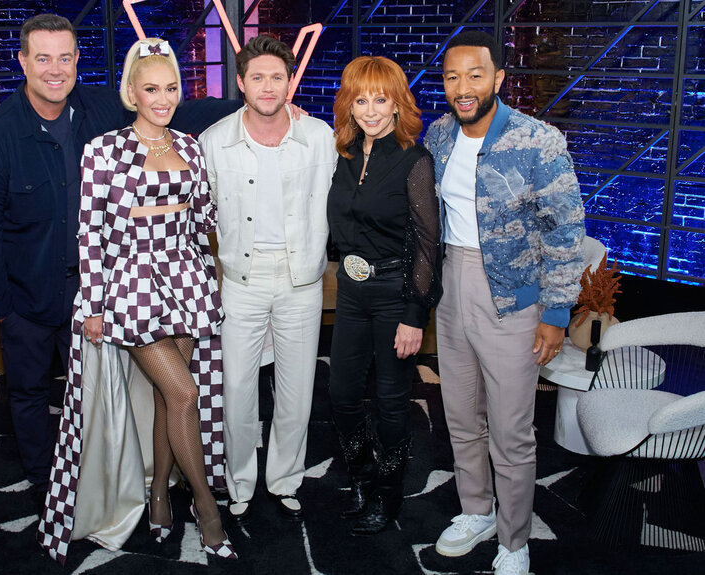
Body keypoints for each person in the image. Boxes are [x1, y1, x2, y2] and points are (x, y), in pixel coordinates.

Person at [0, 14, 238, 512]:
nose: (55, 69)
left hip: (109, 286)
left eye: (64, 57)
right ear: (23, 61)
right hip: (30, 293)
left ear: (76, 61)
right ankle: (44, 487)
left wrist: (256, 104)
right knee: (28, 393)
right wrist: (2, 306)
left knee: (95, 398)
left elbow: (171, 106)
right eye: (42, 58)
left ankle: (109, 486)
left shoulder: (94, 106)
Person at [36, 38, 237, 563]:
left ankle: (156, 500)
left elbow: (204, 221)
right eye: (152, 89)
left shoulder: (191, 146)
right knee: (187, 394)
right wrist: (96, 305)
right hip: (131, 285)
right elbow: (90, 232)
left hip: (186, 279)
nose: (163, 98)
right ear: (132, 92)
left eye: (171, 88)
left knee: (172, 401)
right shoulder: (103, 150)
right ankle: (206, 506)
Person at [424, 31, 584, 575]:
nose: (462, 87)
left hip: (514, 299)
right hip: (452, 286)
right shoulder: (439, 135)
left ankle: (514, 542)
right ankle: (477, 511)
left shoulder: (539, 141)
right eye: (452, 77)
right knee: (461, 415)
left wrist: (556, 313)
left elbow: (565, 234)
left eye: (474, 75)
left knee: (512, 428)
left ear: (498, 79)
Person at [199, 35, 337, 525]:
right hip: (240, 277)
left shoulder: (318, 135)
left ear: (289, 82)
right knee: (236, 387)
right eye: (257, 76)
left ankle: (285, 479)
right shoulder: (214, 141)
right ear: (240, 83)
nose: (267, 85)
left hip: (302, 278)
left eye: (277, 76)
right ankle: (238, 480)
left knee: (297, 388)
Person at [326, 56, 442, 536]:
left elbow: (428, 244)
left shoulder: (414, 159)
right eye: (360, 99)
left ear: (397, 103)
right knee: (341, 393)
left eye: (380, 99)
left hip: (396, 294)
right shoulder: (346, 154)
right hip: (350, 292)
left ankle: (388, 496)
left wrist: (415, 315)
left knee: (393, 401)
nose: (370, 110)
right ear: (349, 105)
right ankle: (361, 477)